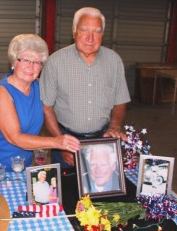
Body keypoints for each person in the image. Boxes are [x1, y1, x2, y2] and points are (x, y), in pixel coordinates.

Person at [0, 34, 80, 174]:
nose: (31, 67)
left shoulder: (39, 86)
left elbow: (62, 103)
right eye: (25, 60)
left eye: (37, 62)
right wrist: (56, 142)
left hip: (22, 164)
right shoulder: (1, 92)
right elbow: (14, 137)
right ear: (13, 62)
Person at [40, 7, 131, 168]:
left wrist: (115, 126)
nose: (90, 37)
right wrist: (60, 143)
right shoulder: (55, 62)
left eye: (96, 31)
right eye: (84, 30)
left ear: (102, 35)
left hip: (102, 139)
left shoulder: (114, 61)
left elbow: (120, 99)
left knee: (99, 188)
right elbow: (46, 108)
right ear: (74, 31)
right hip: (65, 138)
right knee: (65, 190)